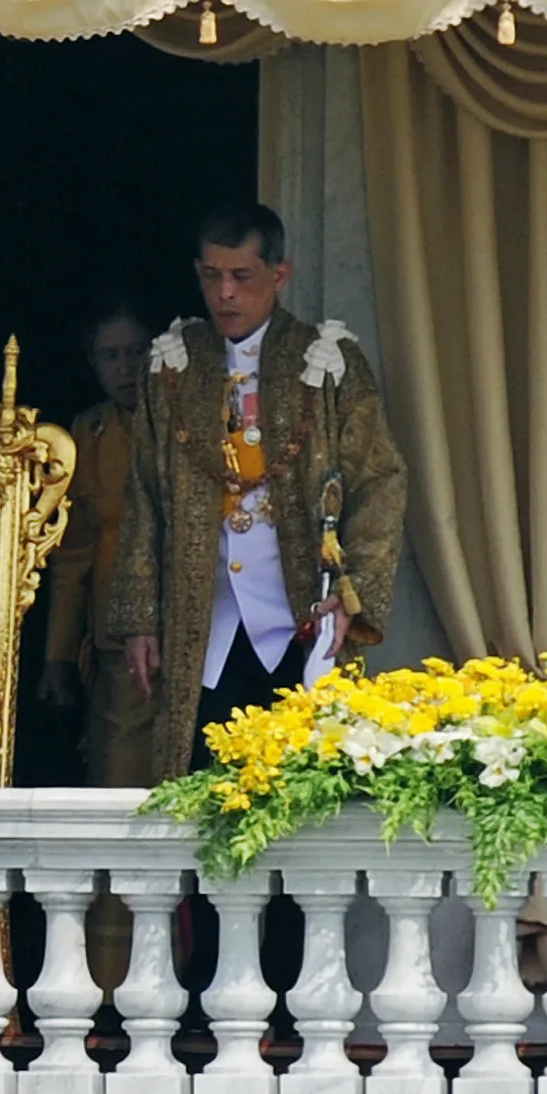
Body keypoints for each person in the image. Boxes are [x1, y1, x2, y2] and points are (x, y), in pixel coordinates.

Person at [110, 202, 408, 784]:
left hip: (302, 619)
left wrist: (354, 595)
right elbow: (144, 496)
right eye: (211, 276)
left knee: (302, 790)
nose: (224, 293)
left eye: (241, 276)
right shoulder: (171, 367)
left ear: (279, 274)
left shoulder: (329, 361)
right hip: (204, 626)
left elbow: (381, 482)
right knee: (201, 792)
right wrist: (140, 617)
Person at [38, 294, 160, 787]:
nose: (126, 367)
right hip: (119, 647)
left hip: (198, 640)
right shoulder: (88, 434)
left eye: (137, 352)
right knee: (120, 783)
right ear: (92, 362)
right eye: (111, 356)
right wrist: (58, 659)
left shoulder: (189, 428)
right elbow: (74, 556)